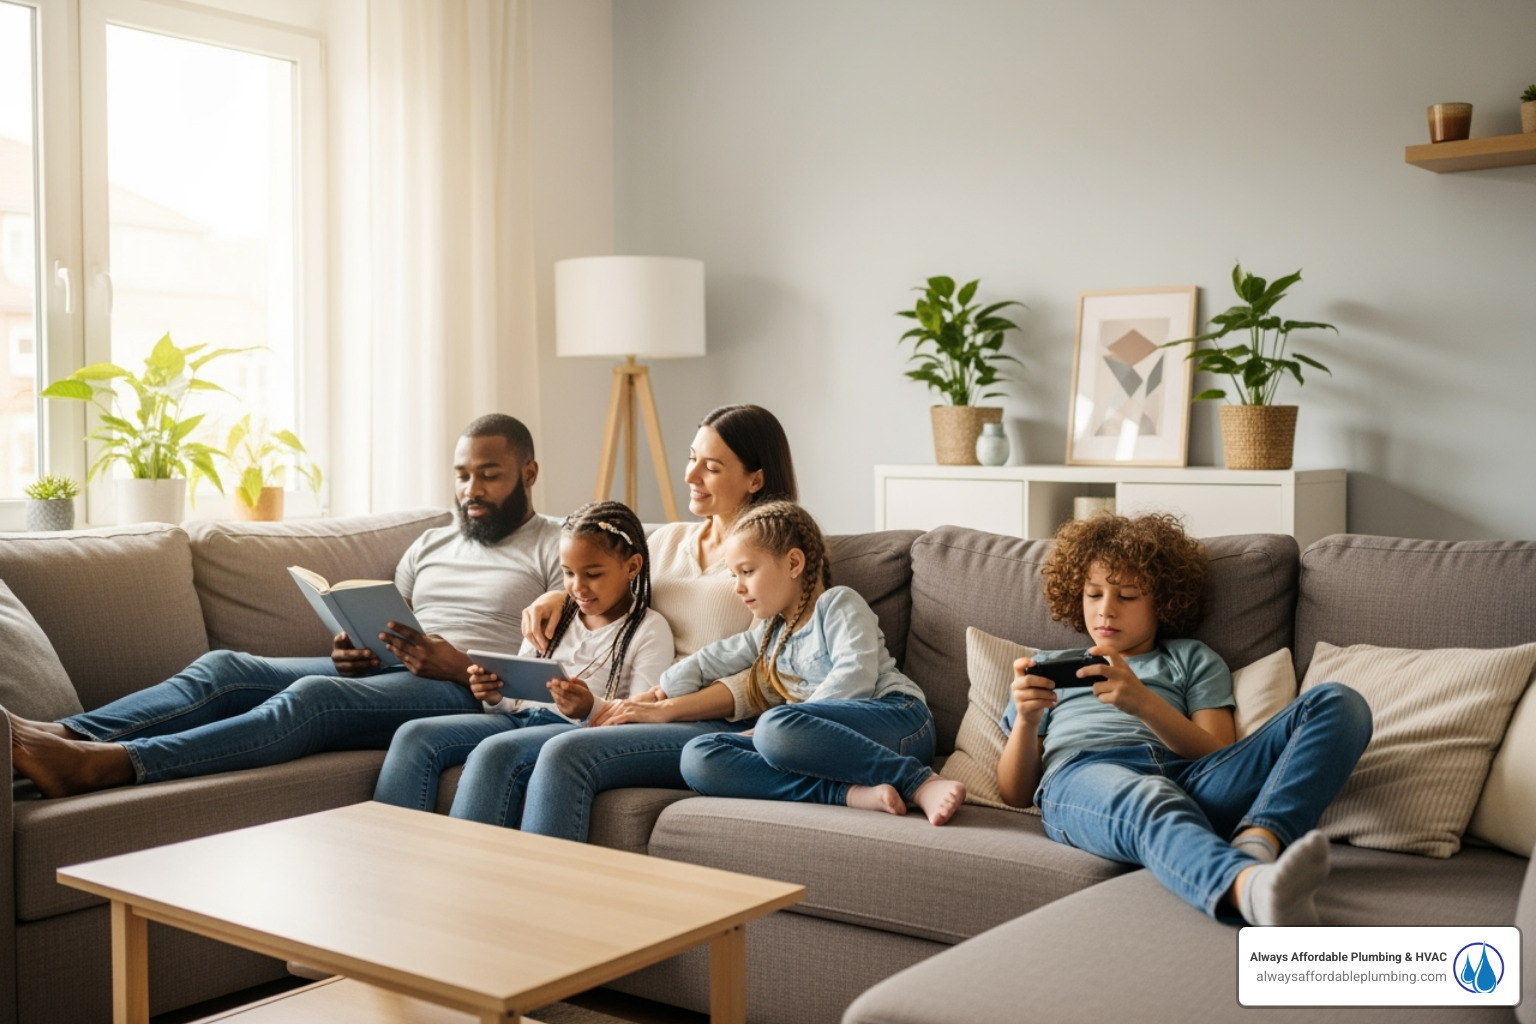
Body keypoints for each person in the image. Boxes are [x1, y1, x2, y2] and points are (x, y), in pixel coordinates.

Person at [8, 414, 563, 797]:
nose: (472, 489)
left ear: (528, 474)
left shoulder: (555, 548)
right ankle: (68, 735)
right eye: (463, 476)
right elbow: (405, 623)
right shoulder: (430, 543)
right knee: (225, 668)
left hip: (469, 692)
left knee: (315, 697)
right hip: (405, 672)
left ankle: (109, 765)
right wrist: (358, 650)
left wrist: (460, 665)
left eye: (489, 475)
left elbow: (564, 669)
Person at [995, 512, 1372, 926]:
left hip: (1192, 778)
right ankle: (1249, 889)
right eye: (1093, 594)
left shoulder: (1190, 658)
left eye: (1127, 595)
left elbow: (1218, 751)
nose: (1106, 610)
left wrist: (1143, 703)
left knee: (1339, 702)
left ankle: (1258, 841)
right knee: (1149, 796)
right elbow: (1014, 794)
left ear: (1163, 600)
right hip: (1085, 775)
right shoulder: (1050, 667)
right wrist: (1028, 722)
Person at [508, 404, 795, 843]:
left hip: (708, 723)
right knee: (503, 751)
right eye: (691, 458)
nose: (690, 476)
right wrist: (558, 595)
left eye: (711, 467)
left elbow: (778, 669)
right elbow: (604, 573)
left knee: (565, 753)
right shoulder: (666, 540)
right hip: (645, 705)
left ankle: (547, 906)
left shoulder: (777, 560)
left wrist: (667, 709)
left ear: (755, 479)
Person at [373, 501, 673, 823]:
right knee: (414, 735)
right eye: (568, 573)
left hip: (572, 734)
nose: (577, 587)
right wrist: (493, 694)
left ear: (632, 566)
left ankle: (468, 867)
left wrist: (590, 708)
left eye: (593, 574)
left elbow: (641, 719)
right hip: (518, 720)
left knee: (497, 753)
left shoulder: (649, 630)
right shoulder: (555, 616)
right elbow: (513, 700)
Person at [676, 501, 965, 825]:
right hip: (820, 749)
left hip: (897, 720)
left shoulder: (837, 603)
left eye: (747, 571)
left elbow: (855, 676)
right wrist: (662, 692)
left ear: (794, 563)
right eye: (734, 575)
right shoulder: (770, 634)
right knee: (697, 757)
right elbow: (709, 659)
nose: (738, 587)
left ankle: (919, 781)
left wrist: (784, 723)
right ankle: (849, 794)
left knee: (774, 727)